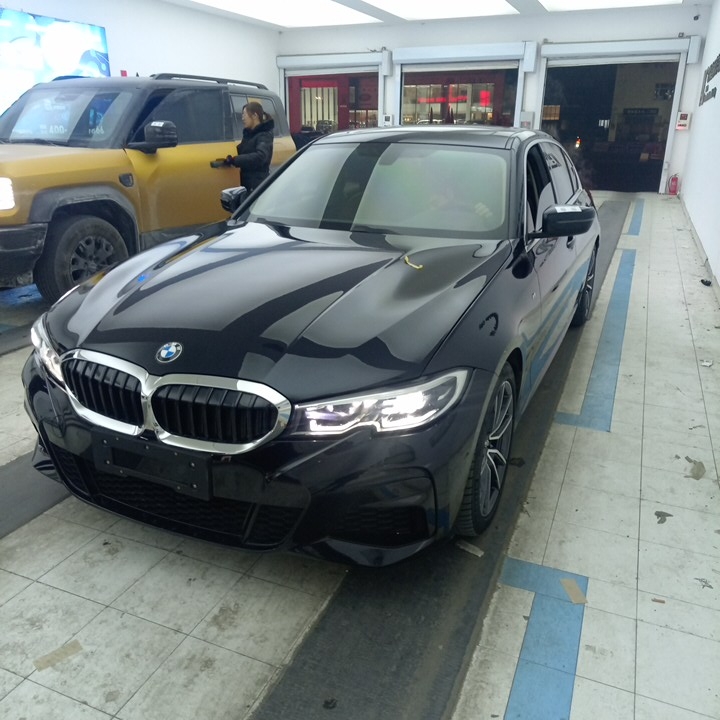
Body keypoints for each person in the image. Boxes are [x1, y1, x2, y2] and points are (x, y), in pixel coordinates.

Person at [224, 102, 274, 193]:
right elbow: (243, 150)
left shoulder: (264, 135)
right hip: (247, 183)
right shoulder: (249, 134)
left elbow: (261, 157)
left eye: (244, 115)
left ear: (254, 116)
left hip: (257, 185)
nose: (242, 118)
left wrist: (236, 160)